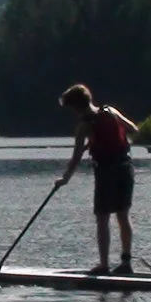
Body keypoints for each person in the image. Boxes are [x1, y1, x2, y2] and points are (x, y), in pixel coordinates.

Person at [54, 82, 138, 275]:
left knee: (102, 218)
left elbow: (76, 158)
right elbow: (133, 129)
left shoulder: (84, 126)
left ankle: (103, 265)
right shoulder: (111, 111)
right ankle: (126, 262)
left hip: (106, 172)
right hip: (125, 168)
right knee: (123, 215)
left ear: (76, 107)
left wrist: (65, 179)